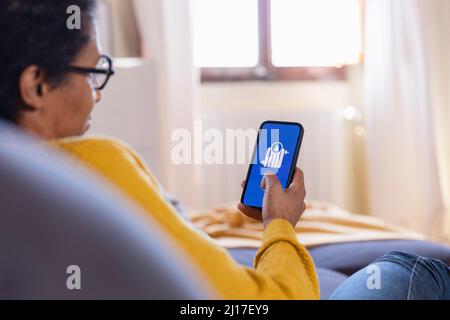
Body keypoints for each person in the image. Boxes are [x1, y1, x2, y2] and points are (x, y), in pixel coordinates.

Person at [0, 0, 318, 299]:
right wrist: (279, 223)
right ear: (36, 85)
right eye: (93, 73)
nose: (97, 96)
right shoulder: (95, 165)